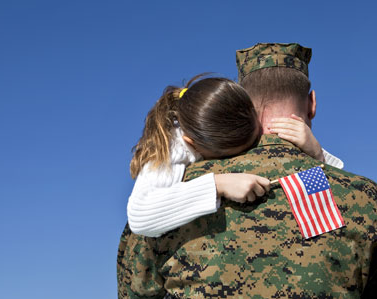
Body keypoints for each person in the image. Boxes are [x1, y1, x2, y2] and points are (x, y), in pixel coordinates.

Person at [117, 43, 377, 299]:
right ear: (312, 103)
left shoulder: (170, 195)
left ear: (238, 103)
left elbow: (136, 294)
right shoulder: (363, 196)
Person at [128, 75, 343, 237]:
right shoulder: (174, 146)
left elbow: (343, 182)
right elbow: (139, 217)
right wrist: (218, 184)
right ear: (194, 144)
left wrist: (316, 152)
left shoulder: (223, 116)